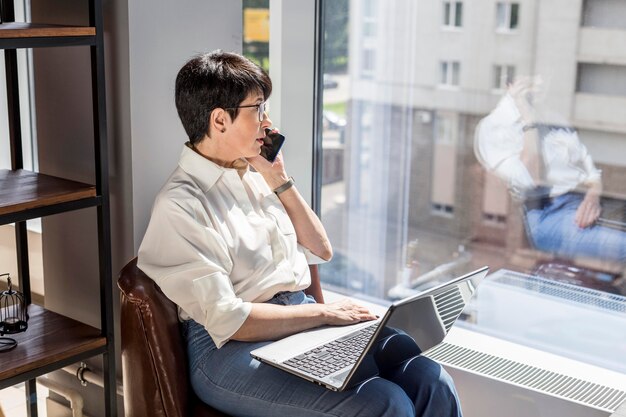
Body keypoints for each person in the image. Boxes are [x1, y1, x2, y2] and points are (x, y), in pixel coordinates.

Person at [138, 50, 462, 417]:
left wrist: (278, 180)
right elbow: (230, 320)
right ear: (220, 120)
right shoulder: (181, 204)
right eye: (257, 109)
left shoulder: (256, 174)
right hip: (227, 350)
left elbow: (320, 249)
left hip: (297, 321)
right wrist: (325, 315)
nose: (267, 121)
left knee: (432, 381)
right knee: (385, 404)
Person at [475, 76, 626, 263]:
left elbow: (586, 163)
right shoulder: (495, 127)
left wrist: (594, 192)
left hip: (582, 202)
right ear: (511, 84)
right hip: (549, 215)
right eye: (531, 77)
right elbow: (531, 178)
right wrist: (527, 118)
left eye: (542, 78)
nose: (539, 84)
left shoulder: (553, 117)